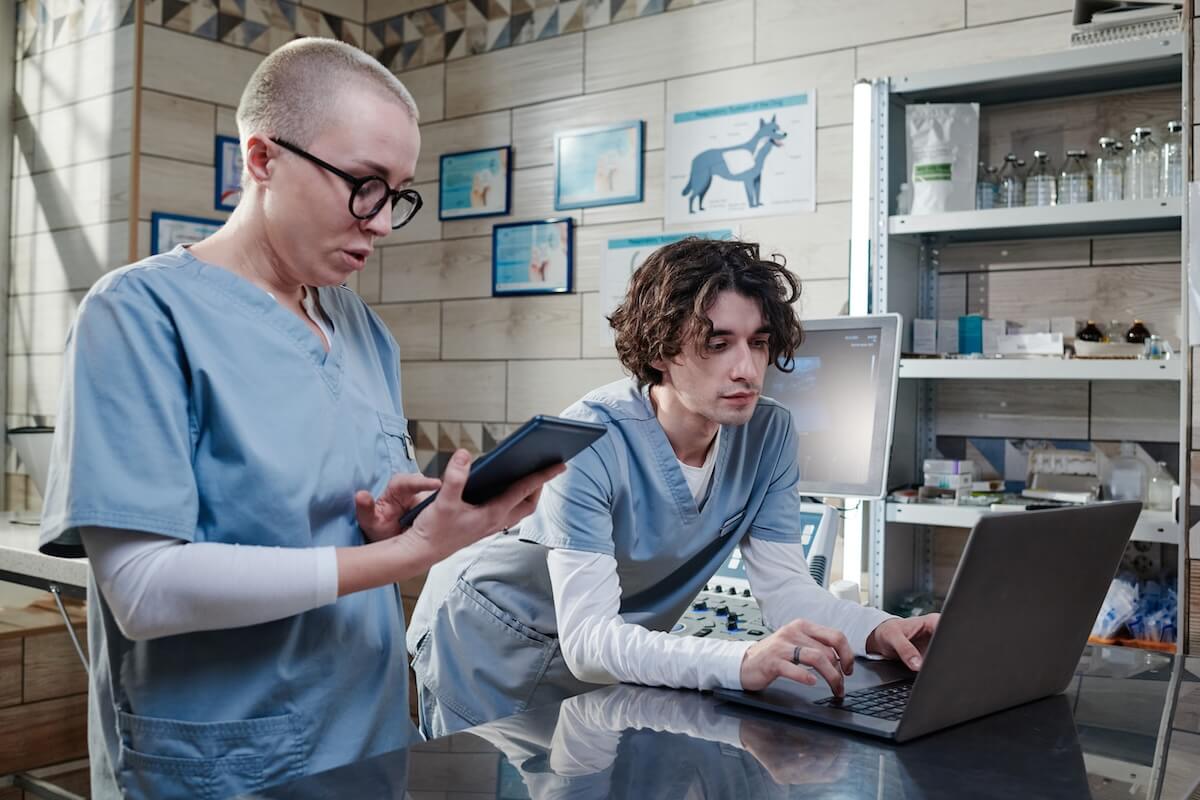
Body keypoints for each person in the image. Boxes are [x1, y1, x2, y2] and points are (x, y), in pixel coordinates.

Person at [38, 38, 562, 800]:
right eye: (365, 184)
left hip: (369, 742)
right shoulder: (138, 314)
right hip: (226, 765)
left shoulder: (361, 331)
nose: (383, 221)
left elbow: (316, 524)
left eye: (398, 192)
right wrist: (406, 555)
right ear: (261, 159)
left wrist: (387, 523)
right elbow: (144, 590)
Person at [409, 237, 940, 738]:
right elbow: (589, 642)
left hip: (601, 655)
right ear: (661, 350)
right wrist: (740, 662)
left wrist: (881, 630)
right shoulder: (593, 439)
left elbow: (787, 593)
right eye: (718, 344)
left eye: (758, 343)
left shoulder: (769, 432)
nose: (747, 369)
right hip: (484, 638)